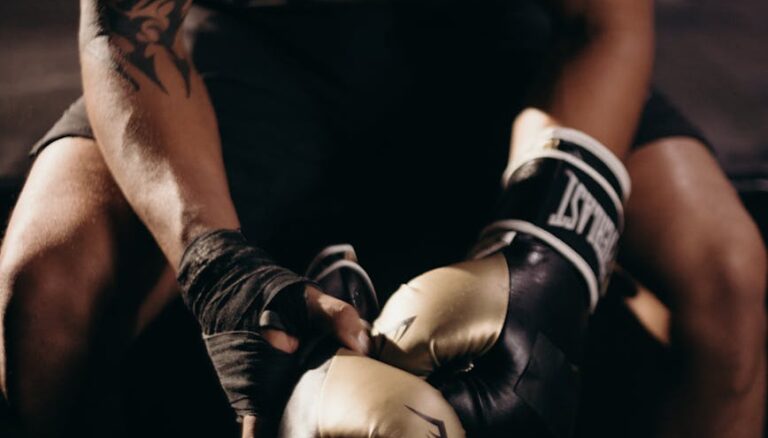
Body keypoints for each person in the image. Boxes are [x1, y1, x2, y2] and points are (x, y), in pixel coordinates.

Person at [0, 0, 764, 437]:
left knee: (726, 276)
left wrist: (547, 246)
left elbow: (602, 22)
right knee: (48, 290)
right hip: (249, 51)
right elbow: (131, 26)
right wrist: (216, 264)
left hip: (497, 47)